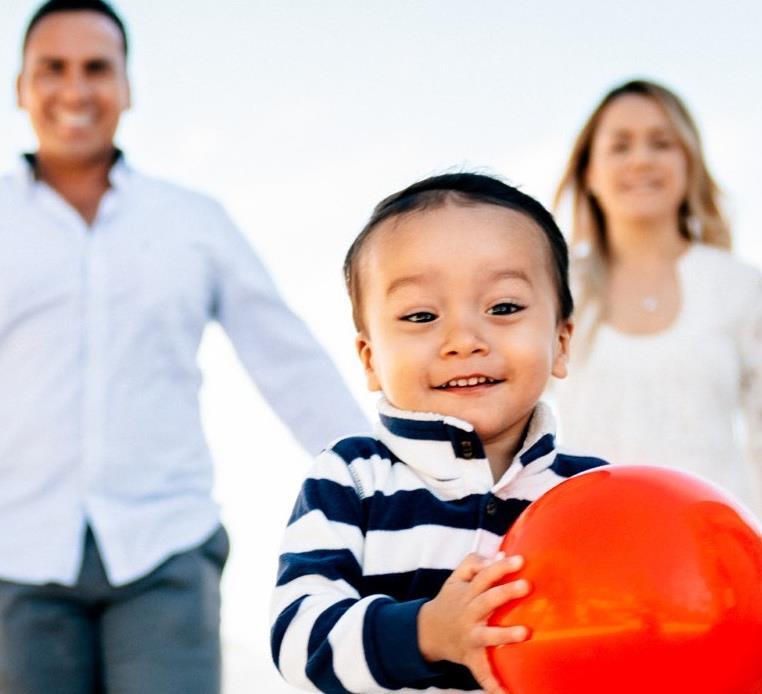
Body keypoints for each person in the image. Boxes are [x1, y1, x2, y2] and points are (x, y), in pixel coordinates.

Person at [0, 1, 369, 693]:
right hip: (15, 558)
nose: (75, 89)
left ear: (127, 87)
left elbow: (286, 358)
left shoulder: (192, 221)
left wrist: (377, 483)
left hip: (165, 551)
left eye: (96, 68)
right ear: (21, 86)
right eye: (53, 68)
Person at [270, 173, 608, 693]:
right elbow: (297, 639)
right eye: (421, 315)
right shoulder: (352, 478)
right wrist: (426, 632)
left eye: (503, 307)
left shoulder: (591, 494)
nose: (464, 340)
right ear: (371, 360)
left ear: (562, 342)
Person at [552, 79, 762, 518]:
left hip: (716, 543)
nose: (641, 159)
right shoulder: (555, 287)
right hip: (589, 537)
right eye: (620, 145)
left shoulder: (741, 288)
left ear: (689, 162)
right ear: (589, 172)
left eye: (661, 143)